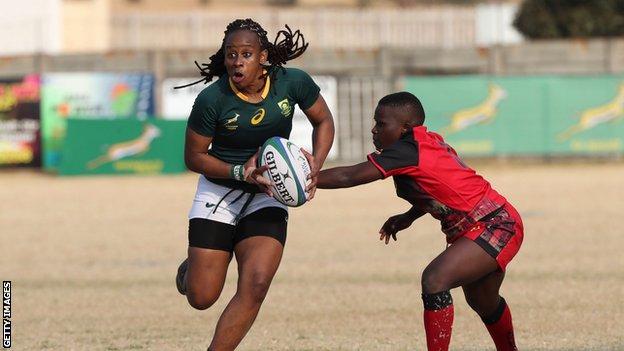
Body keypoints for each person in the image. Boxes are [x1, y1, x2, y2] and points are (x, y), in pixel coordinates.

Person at [317, 92, 522, 351]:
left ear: (404, 128)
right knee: (483, 302)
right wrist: (408, 217)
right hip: (485, 223)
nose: (374, 129)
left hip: (493, 224)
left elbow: (350, 175)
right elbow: (441, 186)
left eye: (381, 124)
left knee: (435, 280)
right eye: (375, 122)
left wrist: (308, 178)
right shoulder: (425, 142)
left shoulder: (406, 150)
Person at [175, 19, 334, 351]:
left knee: (257, 283)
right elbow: (193, 157)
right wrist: (238, 172)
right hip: (220, 190)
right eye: (231, 54)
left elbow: (323, 119)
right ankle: (191, 271)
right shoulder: (212, 99)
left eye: (246, 54)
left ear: (263, 57)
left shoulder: (292, 82)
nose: (237, 61)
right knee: (202, 297)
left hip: (268, 192)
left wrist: (315, 165)